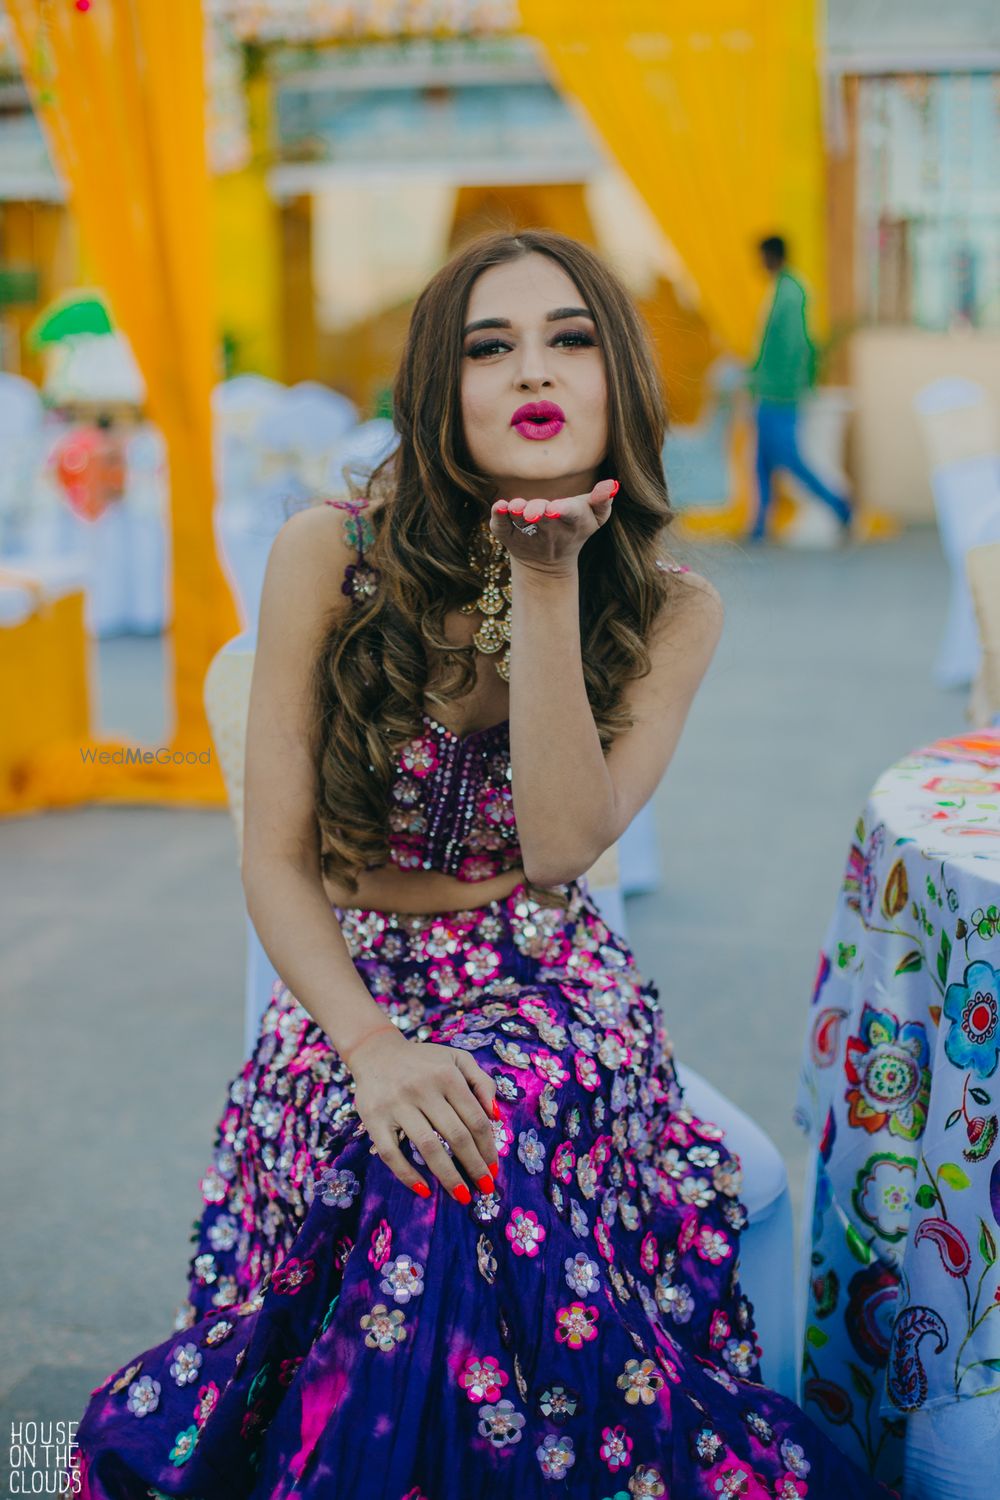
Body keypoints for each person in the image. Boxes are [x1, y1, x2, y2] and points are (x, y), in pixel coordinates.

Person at [65, 231, 895, 1499]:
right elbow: (277, 866)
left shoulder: (674, 608)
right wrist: (373, 1047)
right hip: (353, 988)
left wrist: (546, 582)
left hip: (547, 978)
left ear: (616, 375)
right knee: (409, 1154)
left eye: (568, 338)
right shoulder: (329, 555)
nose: (531, 371)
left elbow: (565, 848)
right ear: (438, 392)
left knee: (469, 1159)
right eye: (488, 347)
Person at [747, 235, 852, 543]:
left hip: (780, 392)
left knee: (789, 459)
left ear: (771, 255)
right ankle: (759, 526)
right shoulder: (783, 288)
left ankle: (839, 505)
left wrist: (785, 385)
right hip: (769, 388)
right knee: (762, 460)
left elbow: (794, 345)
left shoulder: (790, 293)